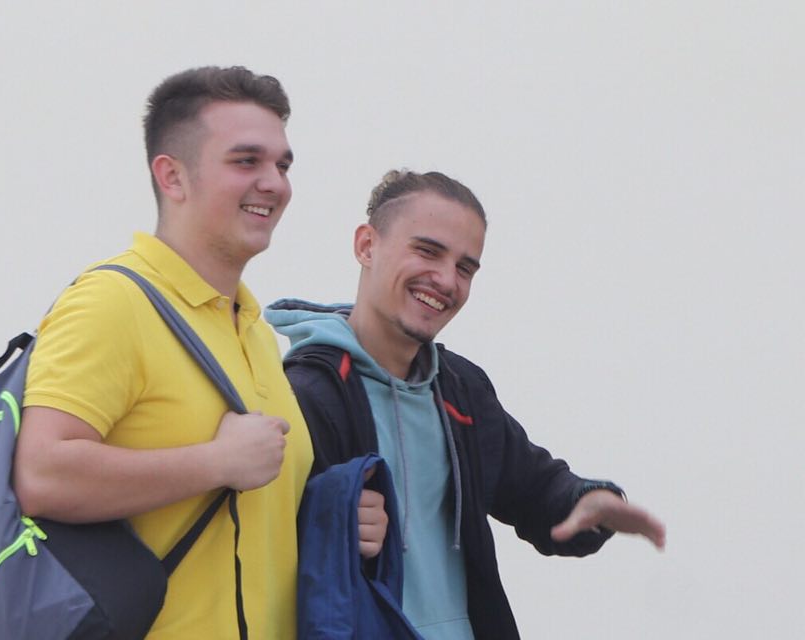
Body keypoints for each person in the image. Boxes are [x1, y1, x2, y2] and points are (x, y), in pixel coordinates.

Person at [11, 66, 385, 639]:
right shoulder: (113, 302)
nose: (274, 183)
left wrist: (338, 520)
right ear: (172, 176)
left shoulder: (255, 331)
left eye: (282, 165)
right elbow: (41, 474)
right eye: (246, 161)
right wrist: (214, 462)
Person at [266, 169, 667, 639]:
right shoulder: (305, 394)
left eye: (465, 268)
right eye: (427, 251)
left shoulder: (460, 389)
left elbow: (535, 487)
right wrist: (330, 520)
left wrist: (592, 501)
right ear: (366, 246)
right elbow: (256, 548)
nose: (445, 280)